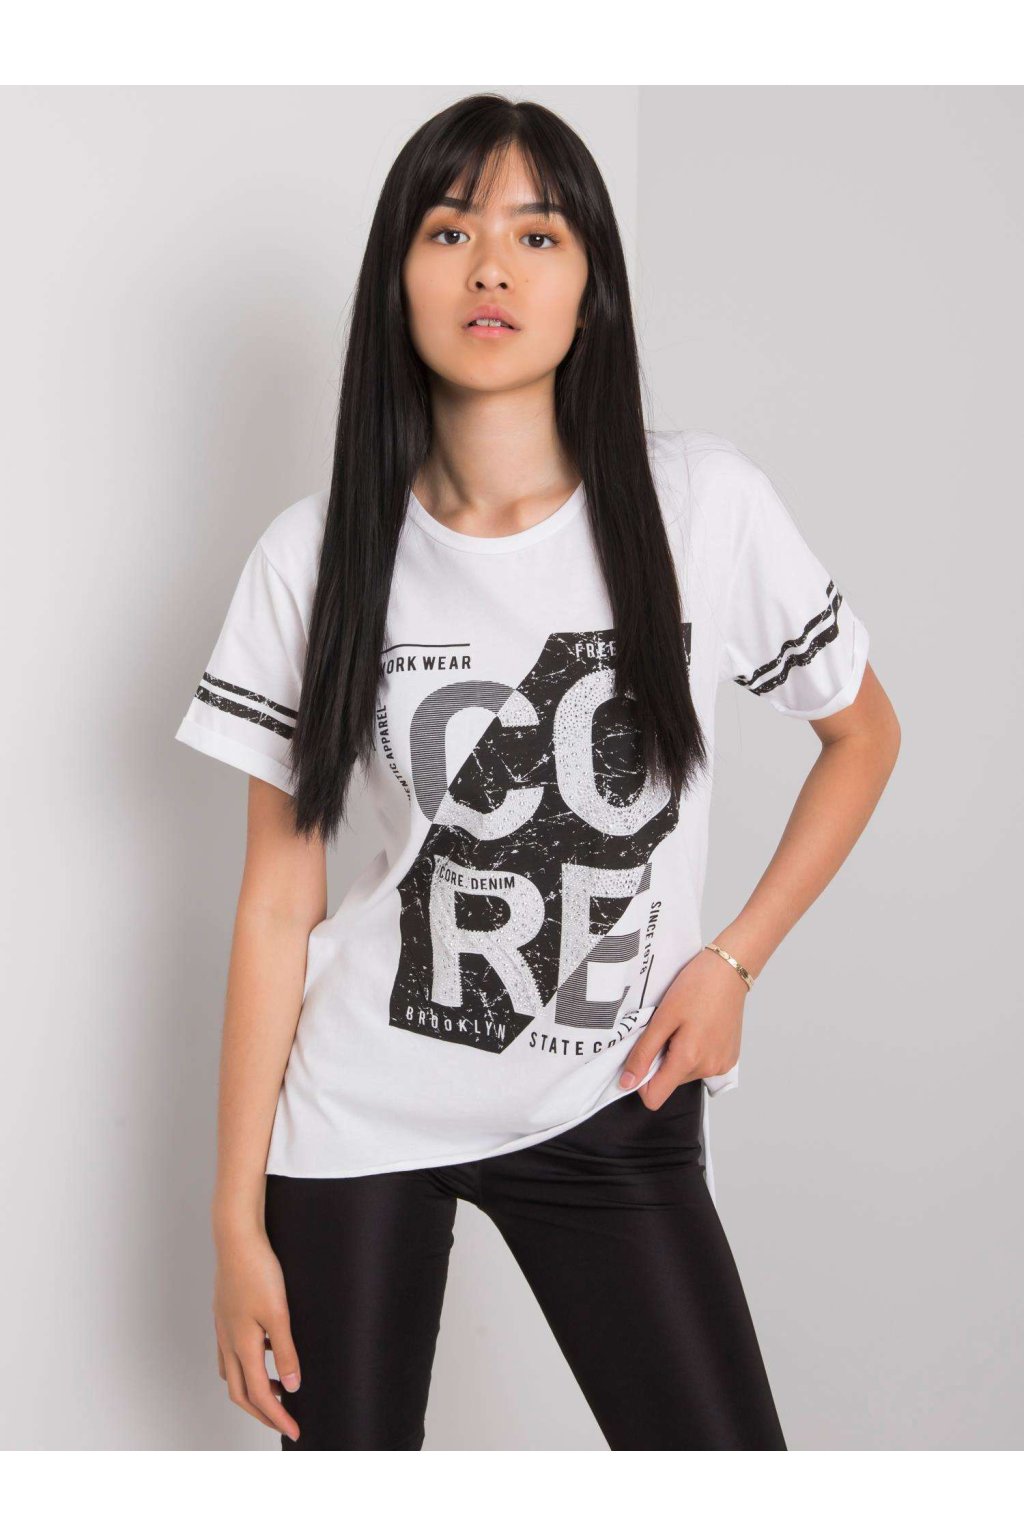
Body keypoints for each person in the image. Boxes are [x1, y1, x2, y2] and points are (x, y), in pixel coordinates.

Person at [174, 93, 900, 1451]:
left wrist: (733, 962)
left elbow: (862, 736)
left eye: (538, 233)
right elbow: (278, 901)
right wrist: (233, 1221)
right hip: (356, 1116)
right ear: (399, 277)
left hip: (609, 1096)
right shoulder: (314, 556)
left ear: (590, 287)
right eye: (450, 231)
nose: (492, 267)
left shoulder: (701, 505)